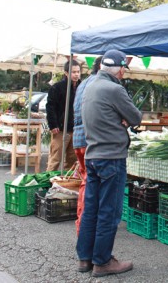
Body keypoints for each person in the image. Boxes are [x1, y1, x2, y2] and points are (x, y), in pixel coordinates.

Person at [76, 49, 142, 277]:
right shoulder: (114, 88)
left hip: (93, 154)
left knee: (91, 209)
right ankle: (103, 261)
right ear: (121, 69)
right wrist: (122, 121)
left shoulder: (89, 85)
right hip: (111, 156)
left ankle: (85, 258)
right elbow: (136, 118)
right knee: (109, 211)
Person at [72, 56, 102, 235]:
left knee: (85, 182)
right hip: (90, 140)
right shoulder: (98, 84)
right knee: (91, 184)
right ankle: (85, 227)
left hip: (78, 139)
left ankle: (82, 224)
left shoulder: (84, 83)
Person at [46, 60, 81, 171]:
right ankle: (48, 182)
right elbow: (50, 107)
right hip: (60, 129)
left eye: (78, 72)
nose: (76, 74)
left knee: (72, 160)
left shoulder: (82, 87)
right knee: (55, 159)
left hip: (75, 129)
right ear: (66, 73)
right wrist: (53, 125)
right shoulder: (57, 87)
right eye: (73, 72)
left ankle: (67, 184)